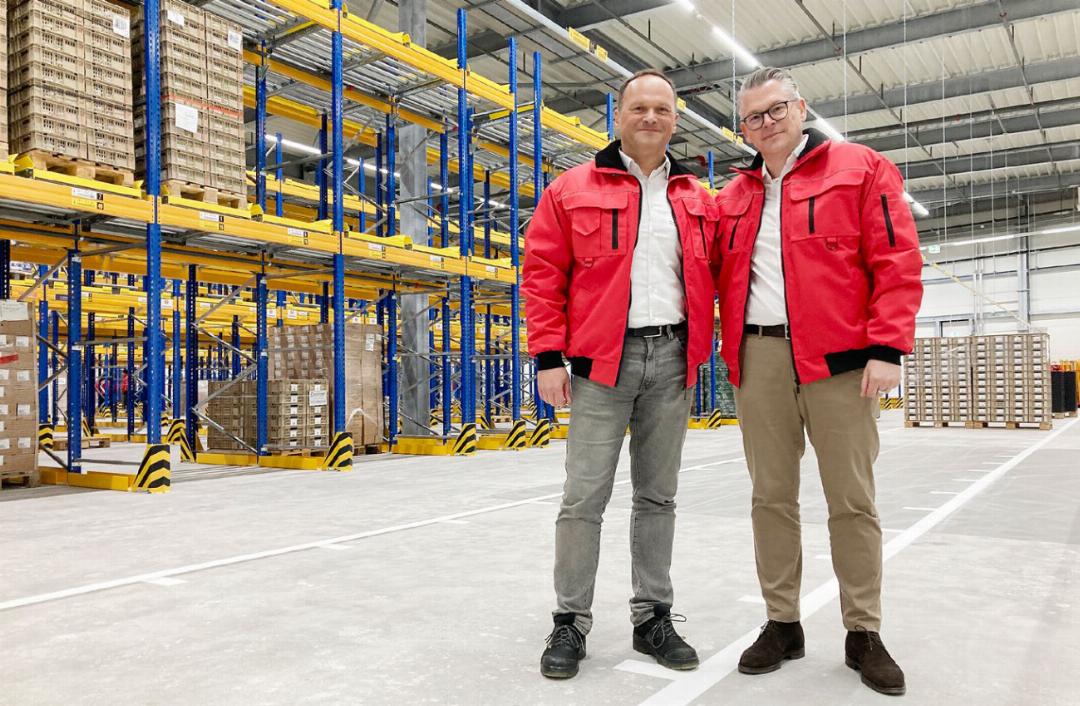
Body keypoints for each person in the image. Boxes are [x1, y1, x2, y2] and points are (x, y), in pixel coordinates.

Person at [714, 66, 923, 696]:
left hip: (843, 361)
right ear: (744, 129)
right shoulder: (734, 195)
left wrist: (888, 346)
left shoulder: (860, 168)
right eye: (754, 117)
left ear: (801, 107)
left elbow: (896, 258)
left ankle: (863, 631)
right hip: (759, 358)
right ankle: (783, 622)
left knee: (851, 499)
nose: (767, 123)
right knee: (770, 498)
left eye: (776, 109)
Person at [523, 69, 721, 679]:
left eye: (662, 108)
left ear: (675, 120)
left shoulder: (696, 198)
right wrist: (548, 357)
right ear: (618, 116)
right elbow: (543, 274)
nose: (651, 117)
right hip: (600, 364)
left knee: (658, 496)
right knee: (583, 497)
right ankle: (569, 620)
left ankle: (652, 616)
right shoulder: (571, 189)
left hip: (672, 358)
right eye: (639, 107)